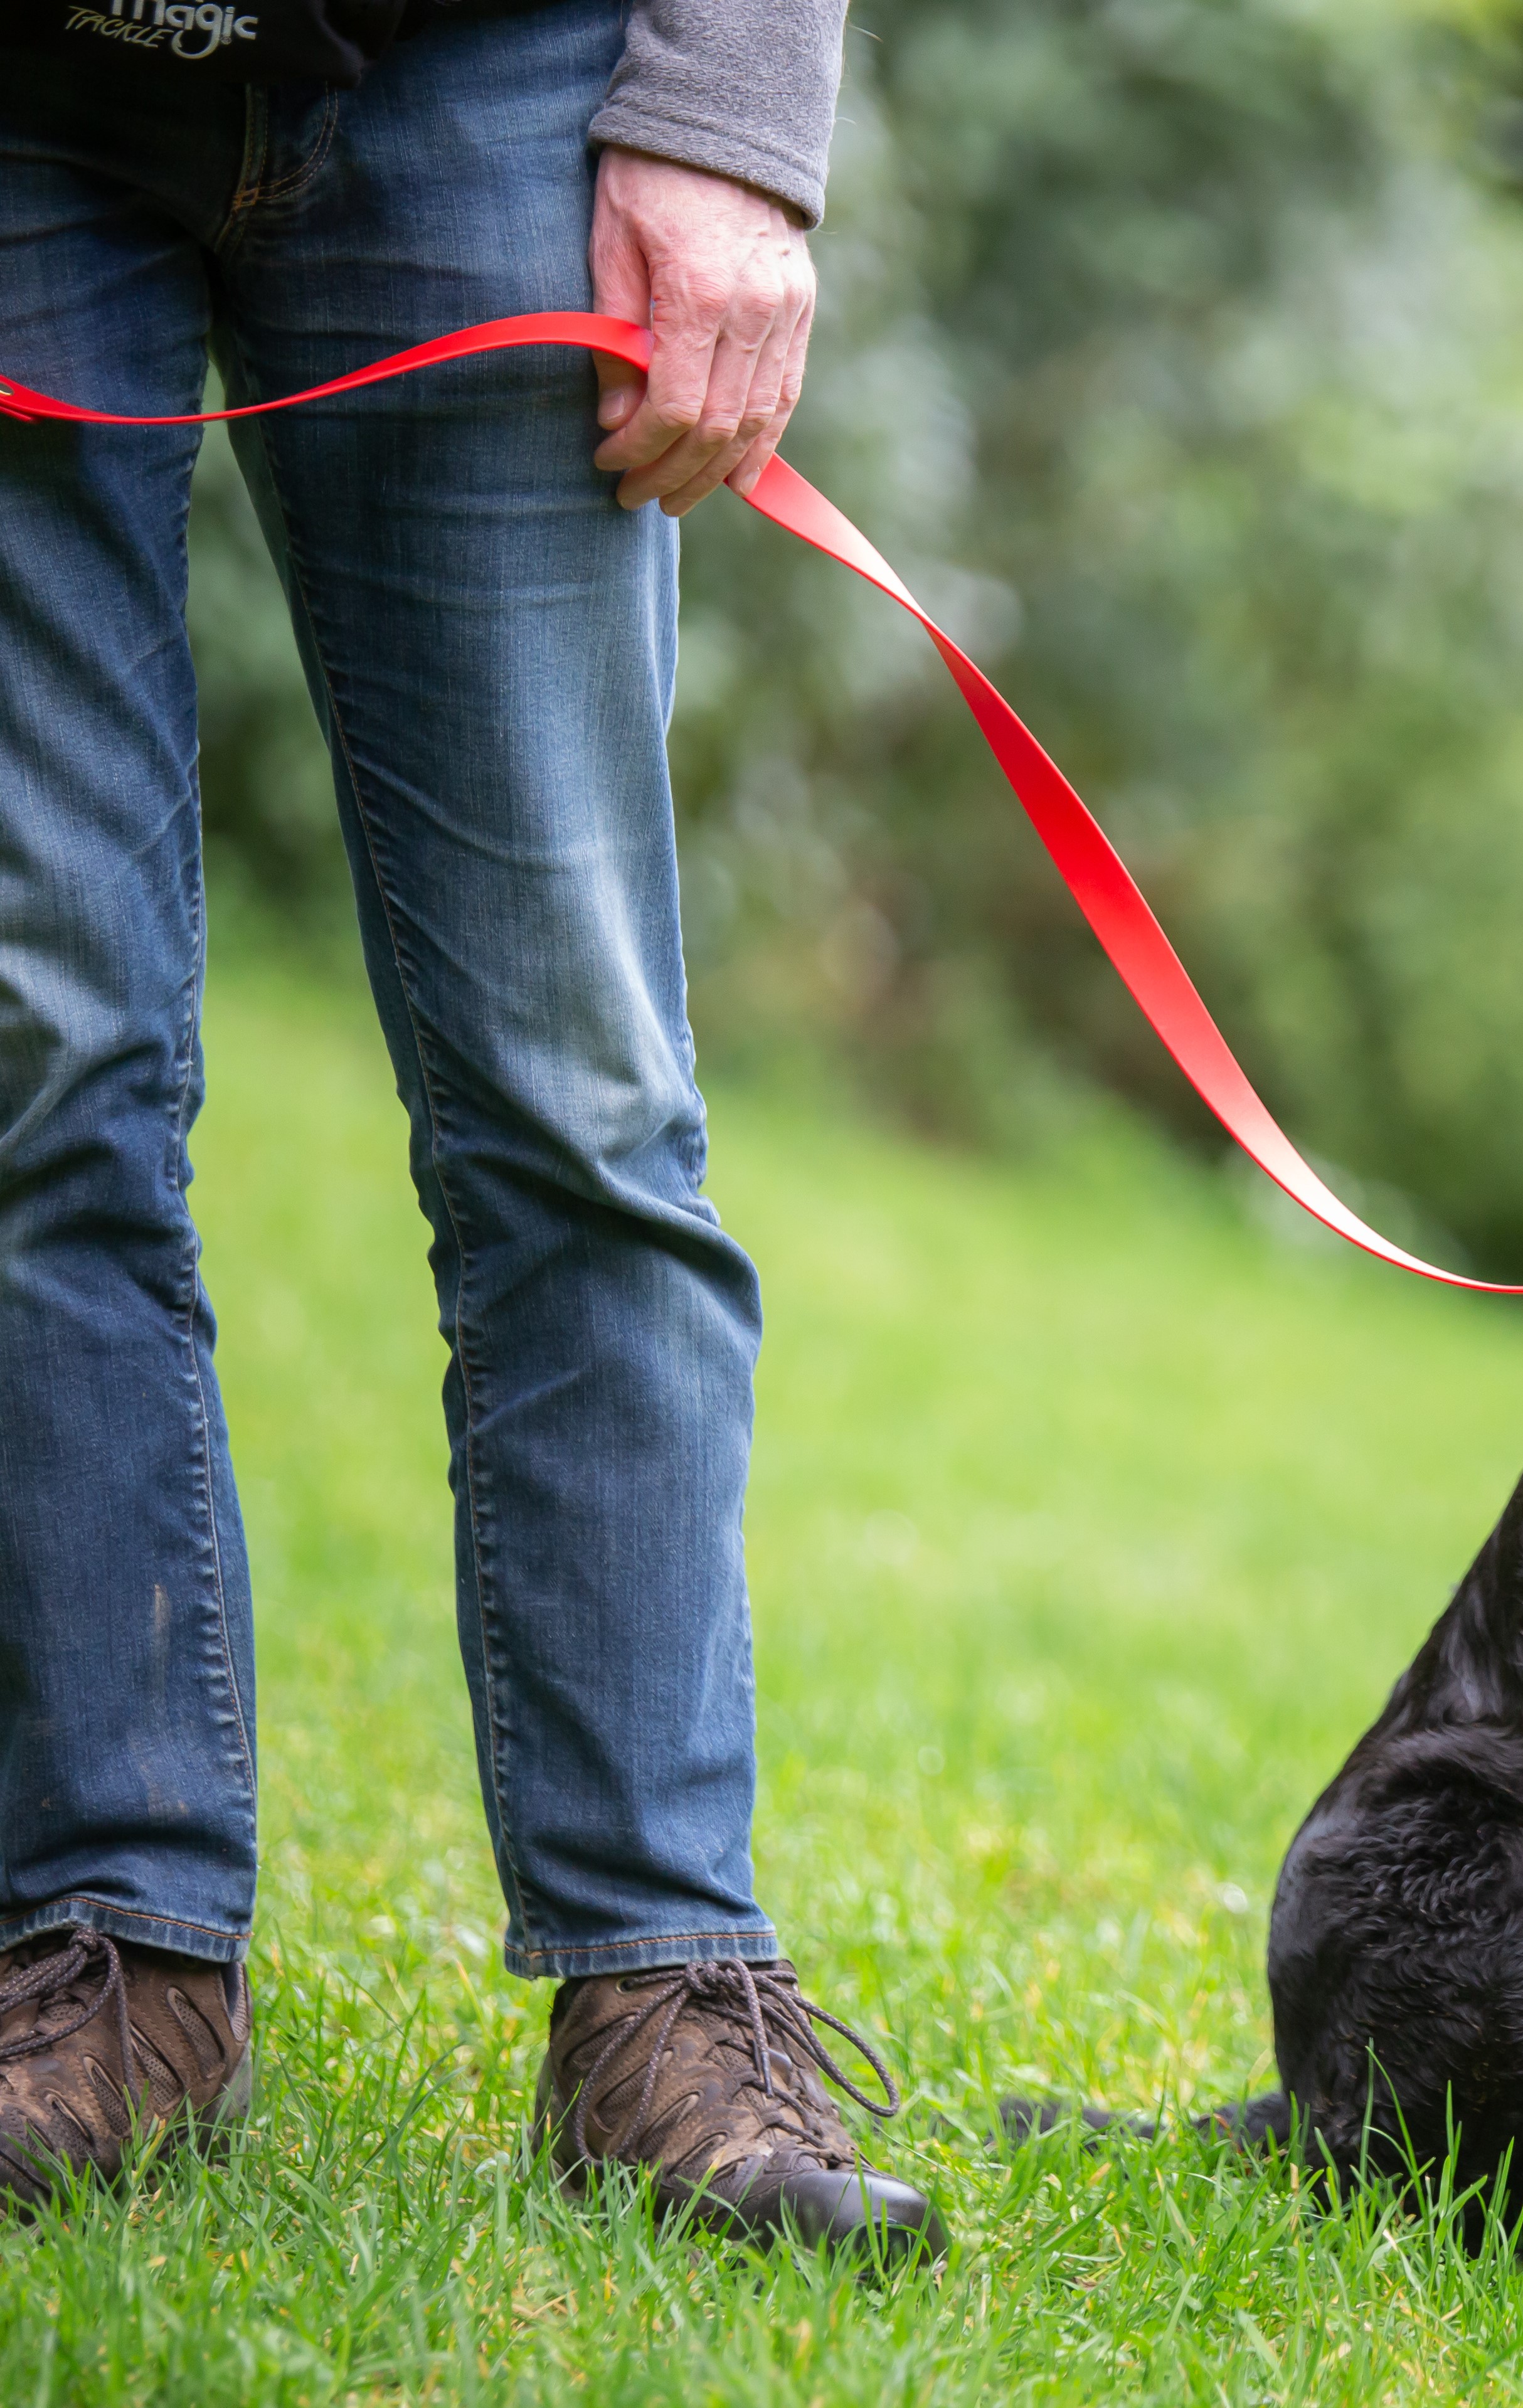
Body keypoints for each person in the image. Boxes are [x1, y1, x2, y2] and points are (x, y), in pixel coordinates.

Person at [0, 0, 940, 2261]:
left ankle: (663, 1984)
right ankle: (107, 1955)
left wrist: (728, 116)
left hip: (480, 66)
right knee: (38, 1060)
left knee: (575, 1093)